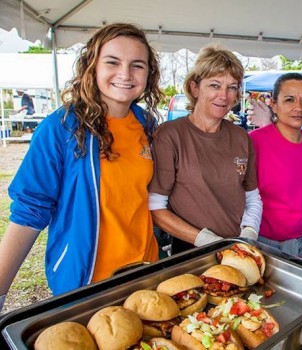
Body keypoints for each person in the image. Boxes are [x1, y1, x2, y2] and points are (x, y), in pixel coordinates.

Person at [0, 23, 163, 308]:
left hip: (143, 275)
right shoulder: (61, 127)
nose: (125, 74)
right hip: (86, 282)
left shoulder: (146, 125)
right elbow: (30, 209)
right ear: (93, 66)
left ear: (148, 75)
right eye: (112, 62)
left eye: (137, 65)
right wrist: (0, 289)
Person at [148, 44, 262, 255]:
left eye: (232, 87)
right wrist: (205, 240)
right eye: (214, 85)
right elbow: (155, 207)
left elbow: (252, 197)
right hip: (189, 249)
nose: (224, 96)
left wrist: (249, 232)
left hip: (236, 247)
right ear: (194, 88)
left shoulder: (240, 138)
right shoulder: (169, 135)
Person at [249, 73, 302, 257]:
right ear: (274, 105)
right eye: (289, 99)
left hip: (298, 244)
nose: (298, 107)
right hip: (261, 244)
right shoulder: (254, 142)